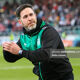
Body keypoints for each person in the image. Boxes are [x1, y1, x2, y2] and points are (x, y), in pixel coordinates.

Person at [2, 4, 74, 80]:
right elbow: (11, 58)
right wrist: (7, 48)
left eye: (31, 14)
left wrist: (20, 51)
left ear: (35, 15)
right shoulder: (24, 37)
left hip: (62, 77)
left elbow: (46, 55)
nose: (30, 18)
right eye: (25, 17)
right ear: (20, 22)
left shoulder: (48, 31)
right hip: (43, 77)